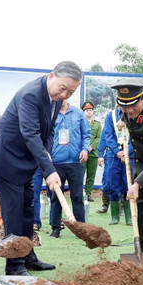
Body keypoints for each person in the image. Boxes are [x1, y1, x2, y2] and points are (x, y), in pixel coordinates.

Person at [0, 61, 82, 276]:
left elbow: (47, 132)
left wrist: (46, 154)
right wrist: (49, 170)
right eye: (63, 88)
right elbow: (29, 133)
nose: (65, 94)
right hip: (7, 155)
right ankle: (14, 266)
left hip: (25, 156)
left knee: (28, 207)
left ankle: (27, 255)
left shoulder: (56, 100)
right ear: (52, 75)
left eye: (71, 92)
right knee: (14, 212)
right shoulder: (31, 94)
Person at [113, 78, 143, 252]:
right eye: (124, 108)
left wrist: (138, 183)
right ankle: (142, 251)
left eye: (133, 106)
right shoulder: (128, 110)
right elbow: (127, 111)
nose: (129, 111)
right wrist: (123, 119)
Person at [48, 98, 90, 238]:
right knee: (56, 197)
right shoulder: (50, 114)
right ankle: (55, 227)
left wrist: (85, 149)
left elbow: (86, 134)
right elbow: (46, 136)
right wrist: (47, 153)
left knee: (77, 196)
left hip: (75, 162)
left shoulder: (78, 114)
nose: (62, 99)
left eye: (64, 97)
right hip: (56, 162)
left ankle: (81, 228)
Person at [96, 105, 131, 226]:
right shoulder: (110, 116)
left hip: (129, 155)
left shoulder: (133, 113)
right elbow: (108, 135)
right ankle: (115, 216)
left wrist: (127, 152)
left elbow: (136, 135)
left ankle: (129, 216)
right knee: (113, 185)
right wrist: (117, 152)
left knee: (128, 184)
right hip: (113, 155)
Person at [82, 101, 102, 201]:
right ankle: (79, 192)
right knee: (80, 173)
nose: (89, 112)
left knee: (91, 174)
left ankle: (88, 193)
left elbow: (99, 137)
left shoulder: (97, 124)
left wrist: (91, 146)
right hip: (82, 153)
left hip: (93, 153)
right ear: (83, 112)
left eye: (91, 110)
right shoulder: (80, 122)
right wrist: (85, 148)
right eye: (86, 110)